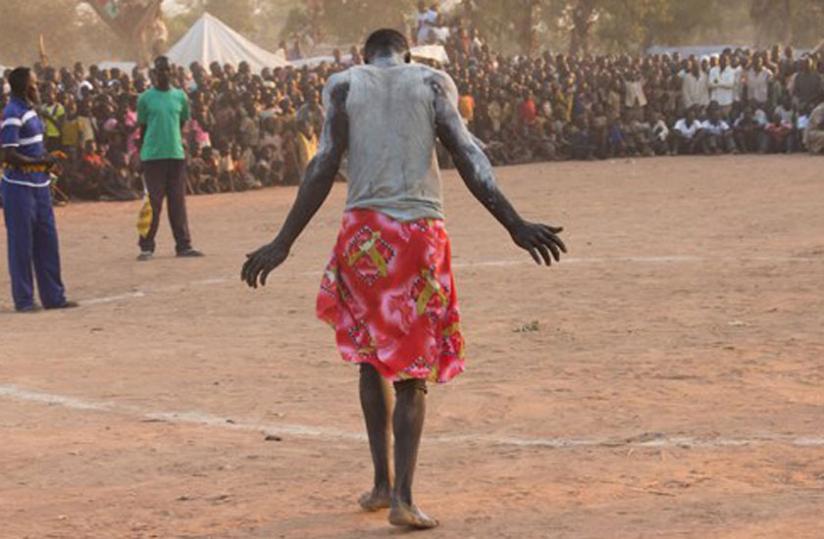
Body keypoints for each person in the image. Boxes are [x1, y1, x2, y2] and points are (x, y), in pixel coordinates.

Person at [241, 29, 566, 530]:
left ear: (363, 56)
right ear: (408, 54)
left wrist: (283, 242)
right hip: (418, 234)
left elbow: (323, 163)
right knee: (413, 372)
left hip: (363, 233)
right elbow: (468, 156)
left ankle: (381, 484)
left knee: (370, 360)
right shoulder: (432, 82)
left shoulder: (343, 85)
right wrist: (514, 224)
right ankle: (404, 500)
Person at [0, 67, 76, 312]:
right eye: (34, 82)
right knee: (21, 244)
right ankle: (24, 300)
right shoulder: (12, 113)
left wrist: (47, 160)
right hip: (19, 187)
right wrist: (41, 161)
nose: (38, 86)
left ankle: (54, 297)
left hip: (40, 185)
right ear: (25, 86)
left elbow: (32, 147)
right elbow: (8, 154)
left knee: (47, 242)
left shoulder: (31, 111)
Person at [136, 56, 203, 261]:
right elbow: (143, 128)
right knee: (153, 203)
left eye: (166, 70)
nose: (163, 73)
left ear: (171, 72)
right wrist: (140, 155)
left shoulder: (180, 97)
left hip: (175, 154)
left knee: (177, 202)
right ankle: (146, 246)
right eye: (160, 70)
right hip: (152, 156)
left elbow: (182, 123)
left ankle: (183, 245)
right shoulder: (145, 98)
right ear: (154, 73)